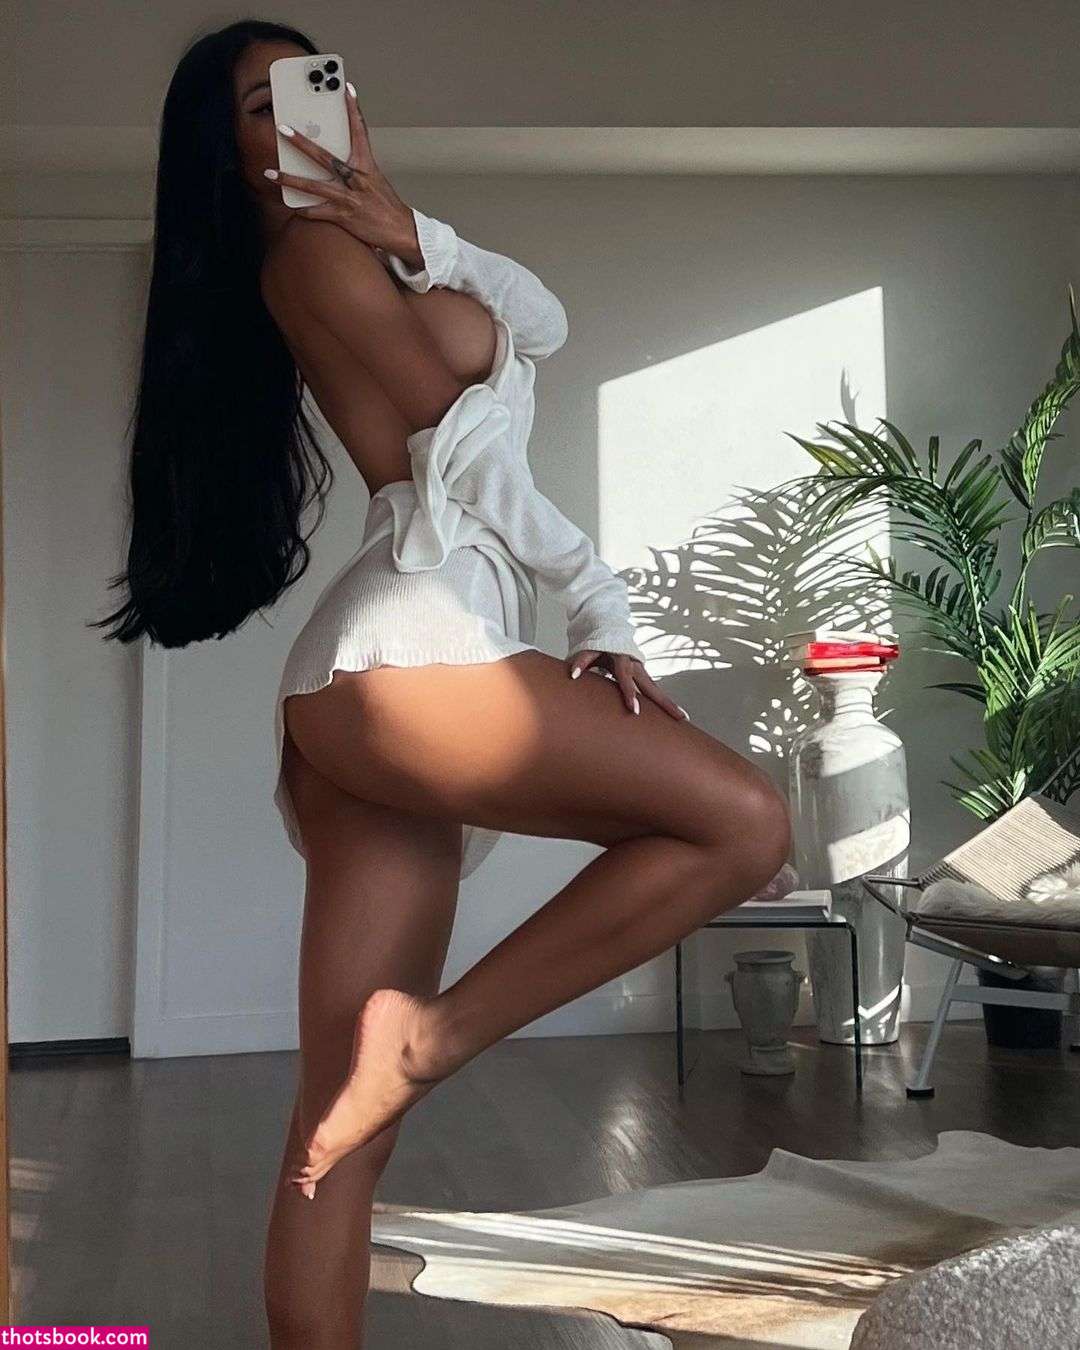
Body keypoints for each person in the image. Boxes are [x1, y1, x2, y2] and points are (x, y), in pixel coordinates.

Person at [93, 20, 792, 1348]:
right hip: (415, 645)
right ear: (227, 153)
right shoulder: (311, 257)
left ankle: (395, 1081)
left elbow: (546, 323)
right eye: (261, 105)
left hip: (367, 680)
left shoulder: (356, 252)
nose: (304, 110)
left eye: (315, 84)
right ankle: (430, 1039)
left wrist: (418, 231)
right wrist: (600, 600)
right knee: (744, 824)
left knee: (336, 1131)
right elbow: (467, 439)